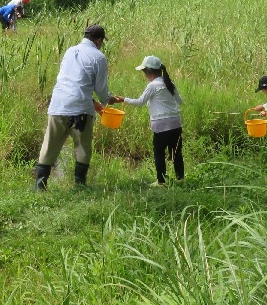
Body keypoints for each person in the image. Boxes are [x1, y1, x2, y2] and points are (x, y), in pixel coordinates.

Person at [34, 24, 117, 190]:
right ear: (99, 40)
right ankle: (80, 185)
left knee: (49, 145)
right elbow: (101, 88)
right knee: (82, 146)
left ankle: (40, 187)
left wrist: (92, 100)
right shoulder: (99, 57)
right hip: (80, 110)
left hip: (58, 105)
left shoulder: (70, 51)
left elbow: (73, 81)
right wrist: (108, 99)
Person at [112, 55, 184, 186]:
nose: (144, 75)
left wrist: (123, 99)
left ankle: (161, 182)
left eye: (144, 72)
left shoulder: (152, 86)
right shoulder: (170, 83)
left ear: (148, 72)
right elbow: (180, 101)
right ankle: (181, 179)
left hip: (161, 125)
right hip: (176, 123)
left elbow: (140, 102)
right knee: (176, 153)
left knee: (159, 153)